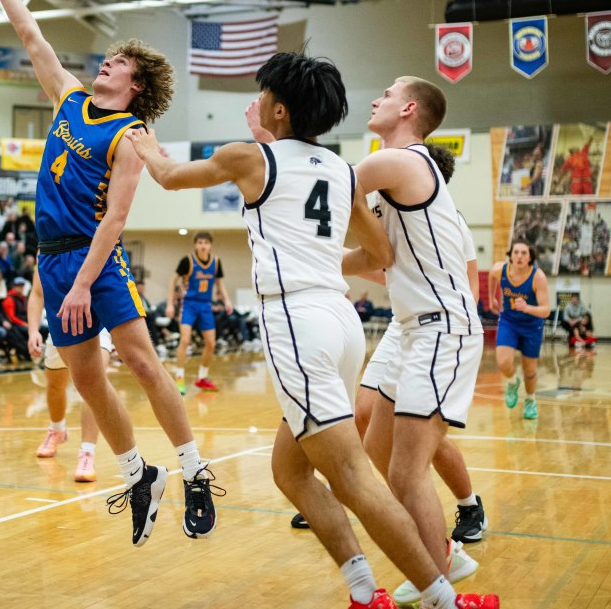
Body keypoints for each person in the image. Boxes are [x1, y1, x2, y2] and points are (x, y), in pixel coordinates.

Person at [129, 56, 497, 609]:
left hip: (296, 323)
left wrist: (138, 135)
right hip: (343, 323)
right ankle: (362, 589)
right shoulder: (341, 170)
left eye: (262, 95)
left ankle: (442, 596)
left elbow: (167, 175)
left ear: (278, 107)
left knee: (354, 475)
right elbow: (381, 253)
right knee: (290, 469)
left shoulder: (248, 157)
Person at [0, 0, 218, 548]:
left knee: (141, 362)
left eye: (117, 63)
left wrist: (87, 281)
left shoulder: (129, 134)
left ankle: (194, 468)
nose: (105, 64)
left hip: (96, 260)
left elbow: (115, 219)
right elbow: (33, 37)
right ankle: (140, 476)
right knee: (87, 380)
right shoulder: (69, 98)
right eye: (108, 59)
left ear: (135, 85)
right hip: (53, 260)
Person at [350, 78, 491, 604]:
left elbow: (329, 190)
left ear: (408, 108)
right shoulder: (393, 178)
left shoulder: (401, 162)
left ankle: (439, 581)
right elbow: (374, 258)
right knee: (378, 452)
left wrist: (273, 153)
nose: (374, 98)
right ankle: (446, 557)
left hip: (441, 327)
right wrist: (308, 268)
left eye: (384, 93)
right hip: (412, 328)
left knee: (407, 472)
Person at [27, 267, 113, 481]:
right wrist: (32, 331)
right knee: (55, 385)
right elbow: (37, 293)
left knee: (94, 388)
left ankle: (87, 453)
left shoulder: (93, 238)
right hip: (60, 323)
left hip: (96, 322)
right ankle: (57, 430)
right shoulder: (46, 243)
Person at [489, 241, 551, 420]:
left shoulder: (538, 277)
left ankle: (531, 400)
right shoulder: (501, 269)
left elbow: (545, 310)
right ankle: (513, 382)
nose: (519, 256)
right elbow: (492, 276)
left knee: (530, 371)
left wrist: (527, 308)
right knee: (503, 363)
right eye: (516, 252)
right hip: (509, 321)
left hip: (532, 325)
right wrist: (492, 297)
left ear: (530, 257)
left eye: (524, 253)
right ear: (511, 255)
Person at [167, 231, 231, 394]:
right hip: (189, 305)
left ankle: (202, 378)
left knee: (211, 343)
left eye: (206, 243)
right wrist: (170, 304)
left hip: (205, 306)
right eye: (200, 242)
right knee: (185, 340)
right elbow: (173, 281)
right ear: (195, 244)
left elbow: (220, 285)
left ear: (210, 245)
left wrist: (227, 300)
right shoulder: (187, 261)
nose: (203, 245)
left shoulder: (216, 262)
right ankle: (179, 379)